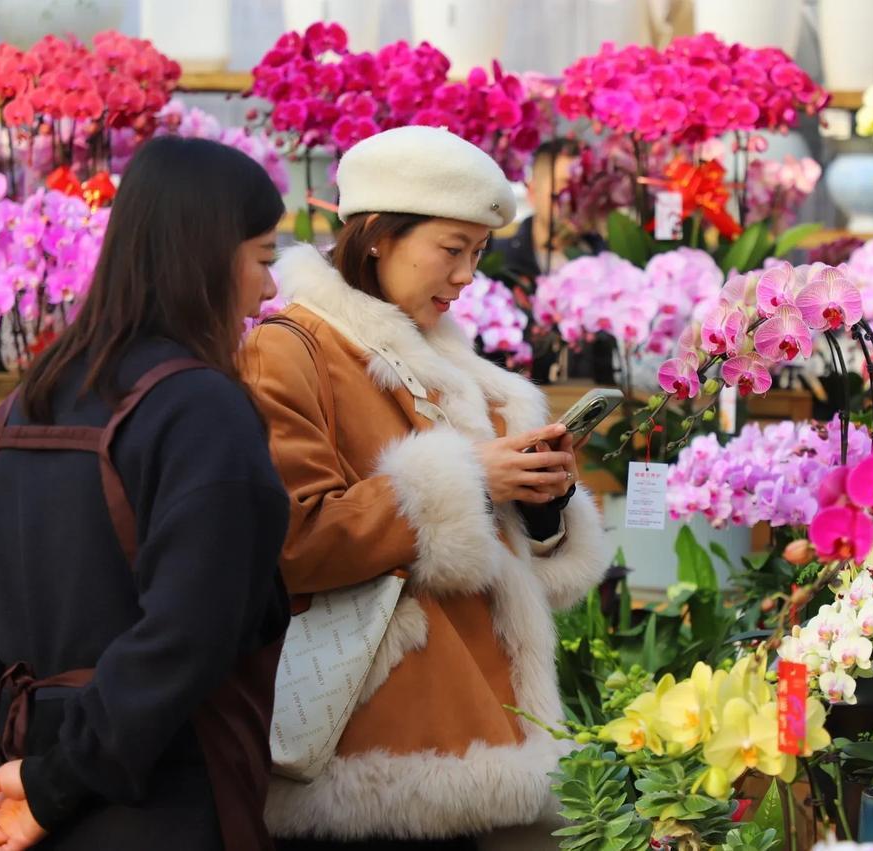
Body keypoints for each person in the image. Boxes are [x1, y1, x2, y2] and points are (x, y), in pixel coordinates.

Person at [0, 136, 292, 851]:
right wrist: (50, 783)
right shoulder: (202, 409)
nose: (269, 289)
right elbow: (186, 635)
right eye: (264, 258)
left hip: (12, 800)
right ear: (205, 253)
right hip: (156, 803)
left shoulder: (31, 402)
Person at [242, 126, 609, 850]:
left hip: (482, 729)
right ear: (377, 234)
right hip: (373, 748)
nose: (468, 273)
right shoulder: (289, 349)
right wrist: (467, 478)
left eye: (477, 252)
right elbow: (296, 538)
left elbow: (508, 556)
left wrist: (542, 501)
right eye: (452, 248)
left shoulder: (449, 359)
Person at [496, 139, 610, 384]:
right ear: (532, 191)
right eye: (565, 188)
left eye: (585, 188)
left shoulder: (612, 266)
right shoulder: (498, 264)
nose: (576, 199)